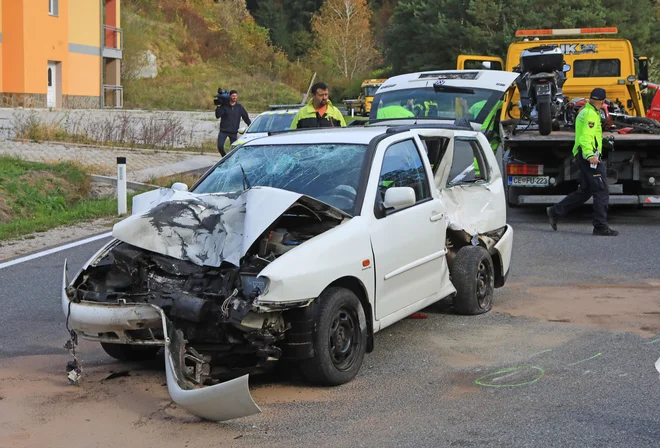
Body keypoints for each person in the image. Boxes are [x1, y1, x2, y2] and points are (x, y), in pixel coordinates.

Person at [546, 87, 618, 236]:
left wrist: (602, 143)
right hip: (589, 157)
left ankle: (555, 211)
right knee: (601, 190)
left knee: (586, 191)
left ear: (591, 98)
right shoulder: (591, 114)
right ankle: (600, 226)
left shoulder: (586, 111)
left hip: (584, 155)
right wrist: (590, 154)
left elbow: (589, 135)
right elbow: (586, 136)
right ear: (603, 101)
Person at [215, 90, 251, 156]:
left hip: (233, 131)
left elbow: (245, 117)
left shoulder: (239, 107)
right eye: (233, 96)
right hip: (223, 130)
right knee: (220, 146)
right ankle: (224, 159)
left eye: (236, 96)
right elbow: (218, 116)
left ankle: (230, 160)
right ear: (230, 96)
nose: (234, 97)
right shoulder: (224, 106)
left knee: (233, 149)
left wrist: (250, 126)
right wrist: (218, 107)